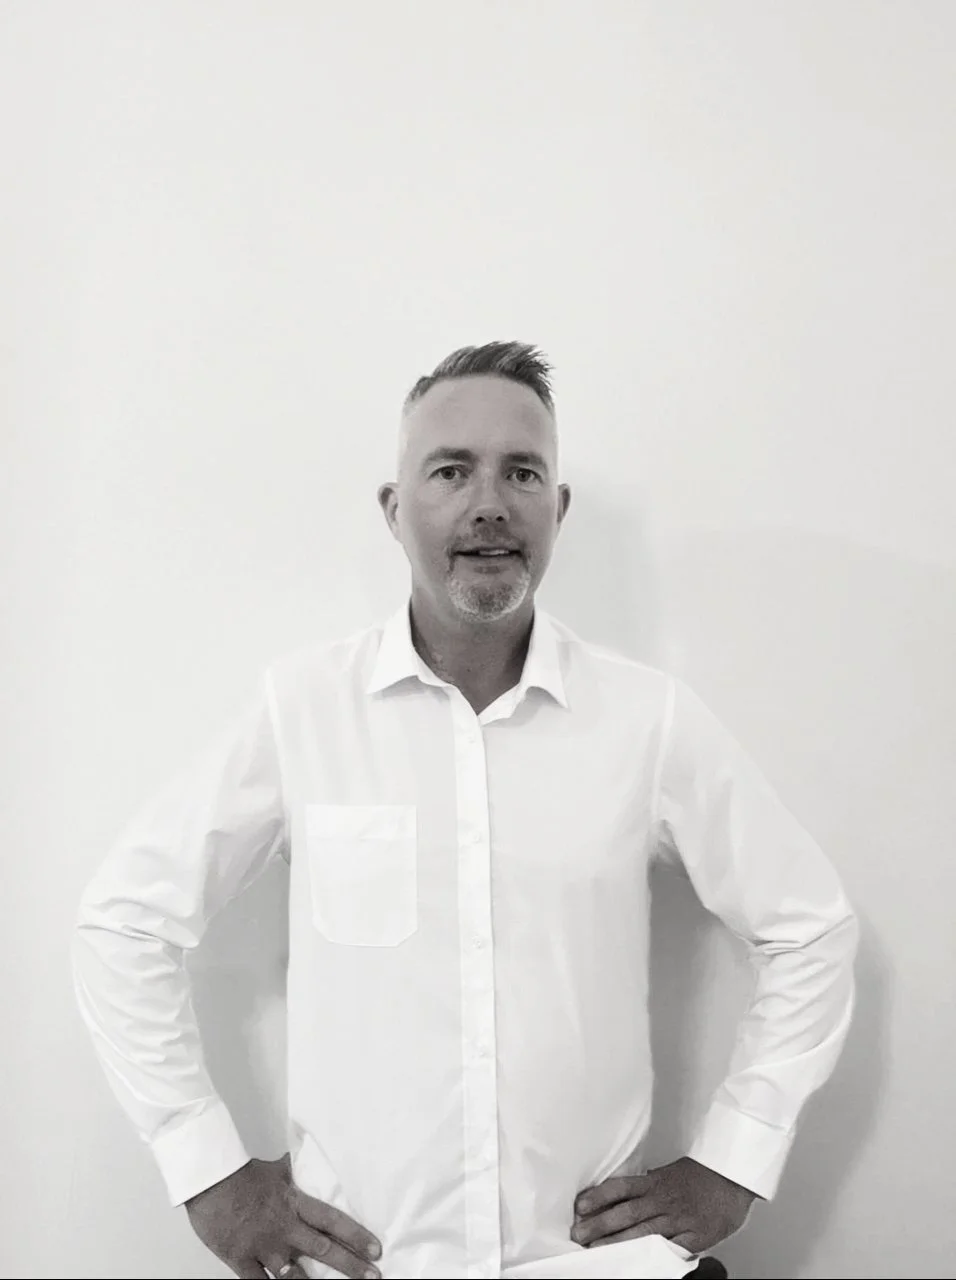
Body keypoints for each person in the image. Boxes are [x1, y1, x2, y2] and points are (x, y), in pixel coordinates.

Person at [72, 341, 858, 1280]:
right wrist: (208, 1176)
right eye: (451, 471)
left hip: (589, 1270)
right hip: (365, 1266)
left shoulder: (648, 722)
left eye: (521, 472)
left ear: (556, 510)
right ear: (395, 510)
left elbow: (812, 928)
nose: (489, 501)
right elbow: (121, 921)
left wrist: (737, 1158)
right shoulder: (303, 712)